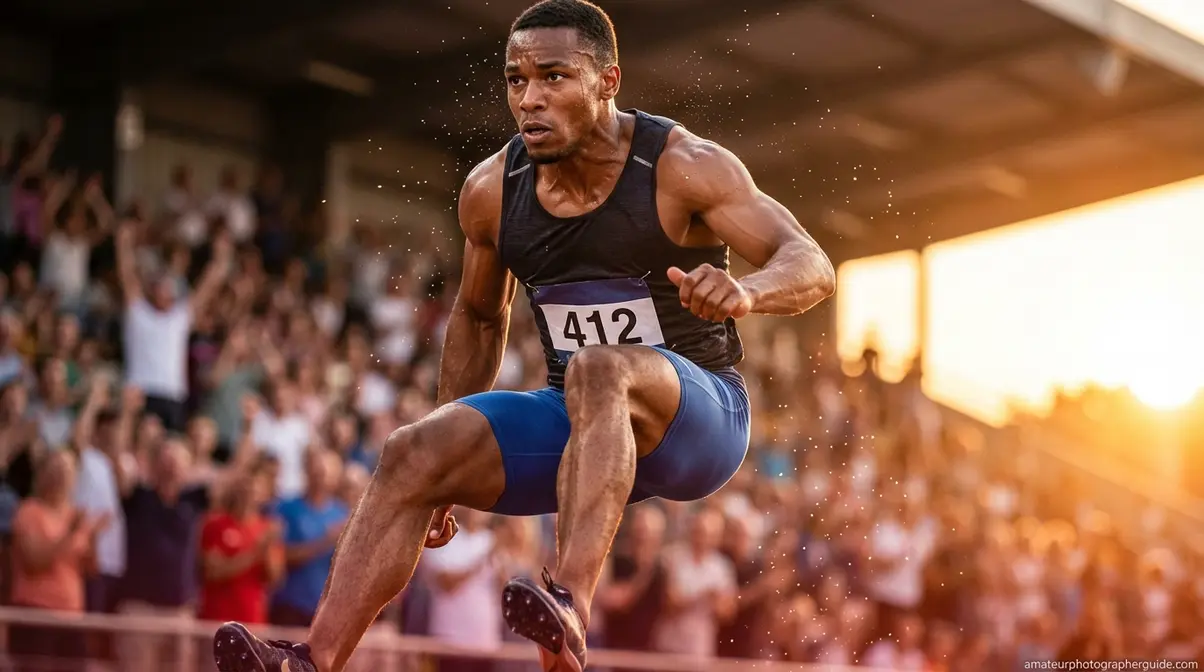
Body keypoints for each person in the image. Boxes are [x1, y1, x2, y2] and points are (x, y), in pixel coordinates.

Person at [211, 1, 834, 670]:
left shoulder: (682, 167)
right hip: (583, 424)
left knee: (600, 368)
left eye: (554, 77)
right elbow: (481, 317)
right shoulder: (491, 190)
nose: (530, 99)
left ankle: (568, 602)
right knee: (411, 451)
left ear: (608, 81)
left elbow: (811, 263)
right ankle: (309, 661)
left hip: (699, 420)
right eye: (516, 80)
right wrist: (447, 465)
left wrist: (747, 292)